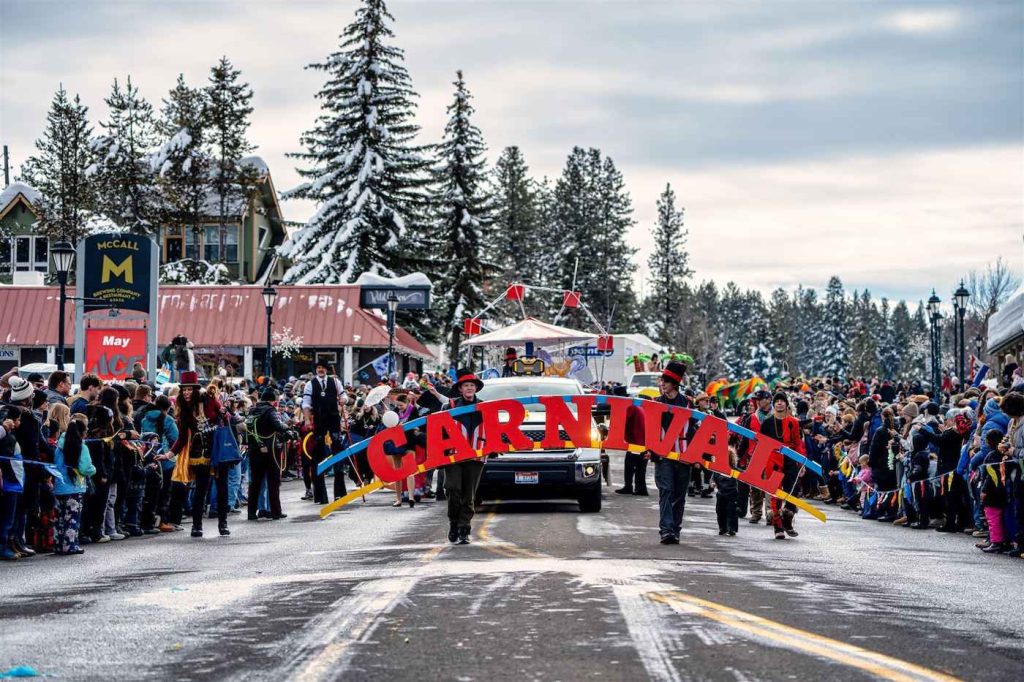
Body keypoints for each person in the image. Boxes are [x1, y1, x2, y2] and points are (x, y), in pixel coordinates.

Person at [427, 368, 486, 544]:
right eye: (466, 385)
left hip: (476, 455)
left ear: (476, 389)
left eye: (472, 385)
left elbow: (492, 429)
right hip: (453, 455)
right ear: (460, 389)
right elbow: (439, 432)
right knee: (452, 489)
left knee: (469, 496)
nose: (469, 388)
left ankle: (464, 529)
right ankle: (454, 522)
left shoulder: (484, 406)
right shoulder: (449, 406)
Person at [168, 371, 230, 538]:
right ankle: (197, 525)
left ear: (195, 390)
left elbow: (226, 418)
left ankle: (223, 523)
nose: (186, 393)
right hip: (199, 452)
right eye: (184, 390)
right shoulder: (185, 410)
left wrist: (222, 416)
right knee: (200, 489)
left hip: (218, 450)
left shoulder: (210, 400)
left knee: (222, 488)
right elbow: (181, 437)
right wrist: (169, 454)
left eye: (189, 389)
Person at [651, 360, 695, 545]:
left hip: (684, 455)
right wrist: (651, 451)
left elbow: (695, 430)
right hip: (663, 456)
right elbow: (651, 430)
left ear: (674, 384)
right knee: (666, 491)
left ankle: (675, 529)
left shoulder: (687, 403)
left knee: (679, 495)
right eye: (661, 381)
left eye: (665, 381)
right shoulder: (656, 403)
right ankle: (666, 531)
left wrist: (696, 456)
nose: (662, 384)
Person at [758, 392, 806, 540]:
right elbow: (761, 444)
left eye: (782, 401)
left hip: (790, 459)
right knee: (775, 493)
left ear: (786, 404)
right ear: (774, 404)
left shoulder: (793, 422)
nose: (779, 403)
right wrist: (759, 465)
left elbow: (798, 443)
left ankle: (788, 520)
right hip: (773, 460)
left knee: (793, 490)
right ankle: (778, 526)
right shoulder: (767, 422)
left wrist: (802, 462)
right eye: (777, 401)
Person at [302, 361, 344, 505]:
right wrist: (307, 420)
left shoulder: (335, 382)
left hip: (333, 419)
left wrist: (344, 400)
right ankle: (320, 495)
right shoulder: (310, 384)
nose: (321, 370)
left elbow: (344, 397)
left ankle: (340, 493)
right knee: (318, 455)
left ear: (326, 370)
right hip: (319, 420)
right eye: (318, 368)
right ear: (316, 370)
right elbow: (306, 404)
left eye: (323, 368)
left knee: (338, 450)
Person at [246, 388, 291, 521]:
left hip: (255, 450)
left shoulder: (253, 410)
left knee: (255, 483)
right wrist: (288, 429)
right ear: (272, 400)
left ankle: (251, 513)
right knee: (273, 482)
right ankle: (276, 512)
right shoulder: (270, 411)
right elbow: (278, 425)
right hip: (270, 449)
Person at [141, 395, 184, 533]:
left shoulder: (144, 418)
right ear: (167, 408)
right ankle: (162, 521)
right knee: (164, 493)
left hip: (147, 459)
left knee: (150, 493)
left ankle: (148, 521)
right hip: (165, 460)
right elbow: (176, 440)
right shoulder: (168, 420)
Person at [52, 419, 94, 555]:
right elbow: (85, 468)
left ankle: (58, 544)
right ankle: (70, 545)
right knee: (73, 517)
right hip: (75, 486)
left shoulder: (59, 446)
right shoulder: (82, 447)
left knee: (60, 517)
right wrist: (93, 469)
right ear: (81, 432)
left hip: (59, 486)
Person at [0, 406, 25, 561]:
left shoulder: (10, 436)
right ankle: (2, 547)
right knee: (6, 518)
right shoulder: (7, 438)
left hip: (12, 481)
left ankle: (7, 545)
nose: (19, 423)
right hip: (9, 482)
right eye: (17, 420)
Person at [747, 389, 773, 524]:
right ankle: (756, 512)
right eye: (756, 400)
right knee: (755, 486)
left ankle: (770, 513)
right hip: (755, 454)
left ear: (768, 399)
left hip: (772, 455)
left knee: (770, 485)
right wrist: (741, 456)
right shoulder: (752, 417)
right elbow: (745, 438)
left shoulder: (778, 415)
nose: (757, 402)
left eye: (760, 399)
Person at [714, 450, 740, 536]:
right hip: (725, 493)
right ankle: (724, 528)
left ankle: (729, 528)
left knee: (728, 511)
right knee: (723, 511)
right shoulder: (718, 469)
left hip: (729, 493)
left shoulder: (733, 470)